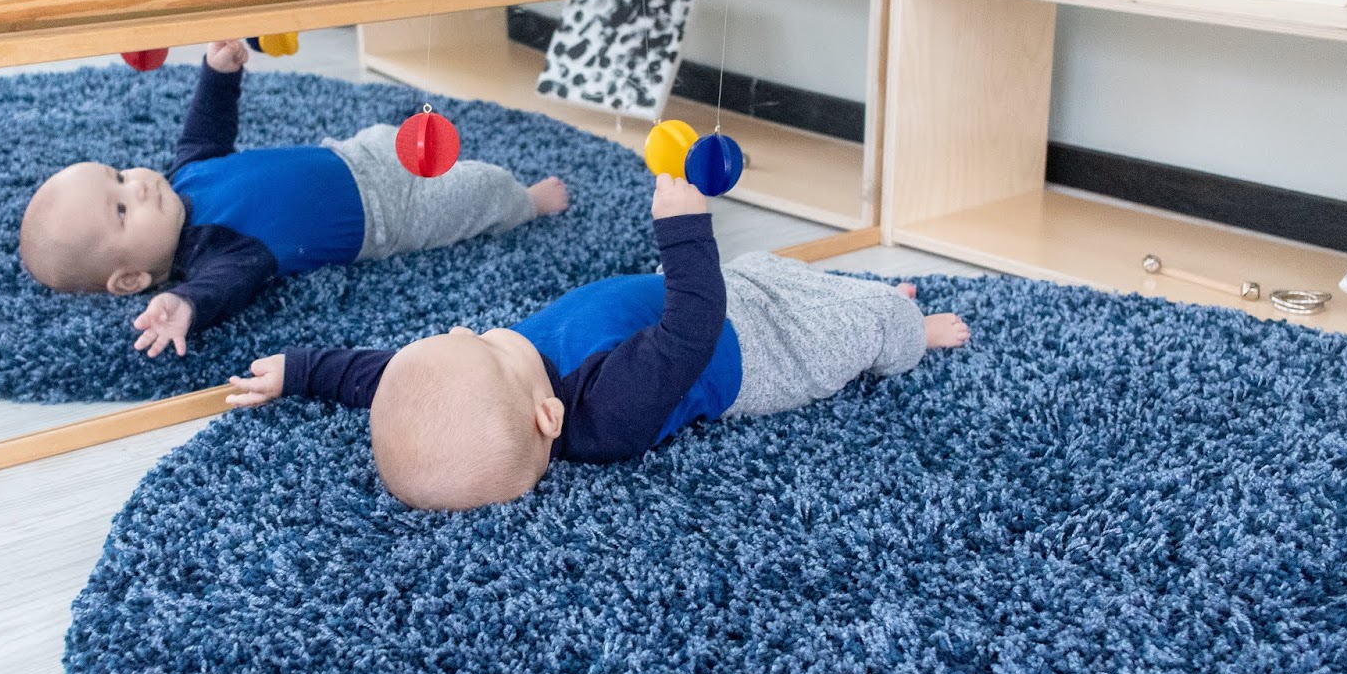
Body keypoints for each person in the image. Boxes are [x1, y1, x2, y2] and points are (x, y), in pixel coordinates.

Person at [226, 174, 970, 510]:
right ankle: (914, 329)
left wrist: (301, 370)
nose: (464, 328)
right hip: (758, 350)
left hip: (716, 296)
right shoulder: (609, 414)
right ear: (549, 421)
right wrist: (683, 232)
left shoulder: (498, 389)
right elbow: (690, 331)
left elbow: (381, 379)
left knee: (765, 271)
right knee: (856, 328)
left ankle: (864, 302)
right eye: (480, 344)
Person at [19, 40, 568, 356]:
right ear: (134, 279)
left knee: (408, 138)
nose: (135, 185)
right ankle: (527, 202)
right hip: (389, 217)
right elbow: (223, 289)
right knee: (478, 191)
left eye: (117, 175)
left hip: (353, 154)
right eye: (121, 210)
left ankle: (454, 165)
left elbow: (205, 129)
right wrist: (185, 306)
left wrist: (218, 73)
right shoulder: (218, 253)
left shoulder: (184, 177)